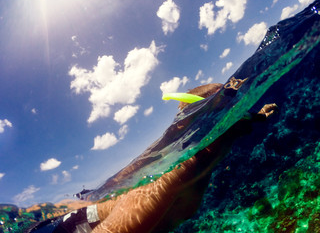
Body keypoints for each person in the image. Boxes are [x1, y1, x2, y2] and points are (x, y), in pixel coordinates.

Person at [28, 78, 277, 233]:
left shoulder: (202, 154)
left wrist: (255, 117)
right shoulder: (170, 179)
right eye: (224, 113)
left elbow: (235, 128)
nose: (236, 117)